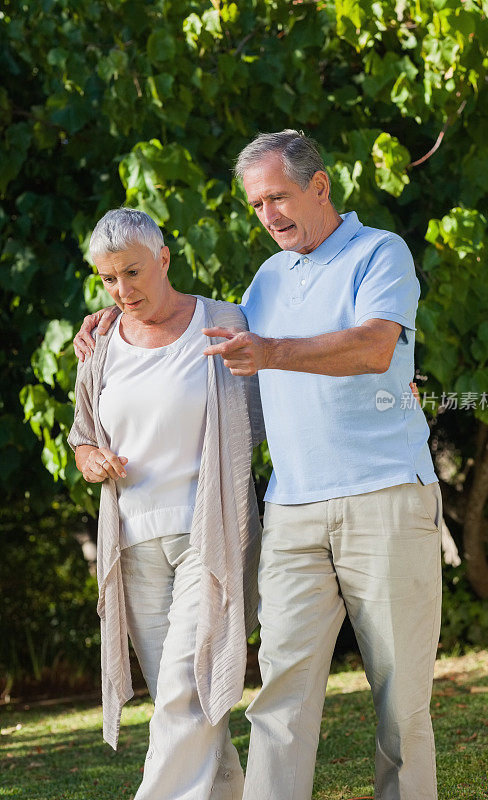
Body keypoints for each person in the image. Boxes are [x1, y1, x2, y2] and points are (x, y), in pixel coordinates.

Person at [74, 131, 442, 800]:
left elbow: (372, 347)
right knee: (277, 699)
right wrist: (117, 312)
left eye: (278, 196)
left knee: (399, 704)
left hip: (384, 496)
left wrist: (271, 352)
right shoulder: (267, 279)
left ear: (319, 187)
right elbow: (190, 338)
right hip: (292, 510)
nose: (268, 214)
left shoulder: (377, 252)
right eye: (255, 204)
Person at [68, 207, 264, 800]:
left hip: (209, 533)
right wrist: (90, 460)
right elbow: (81, 433)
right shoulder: (100, 342)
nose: (121, 290)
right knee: (186, 699)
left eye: (132, 272)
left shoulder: (223, 321)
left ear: (164, 259)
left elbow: (270, 403)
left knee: (184, 690)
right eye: (108, 278)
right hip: (134, 544)